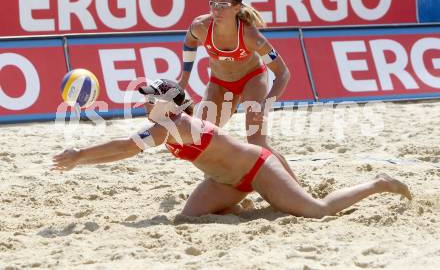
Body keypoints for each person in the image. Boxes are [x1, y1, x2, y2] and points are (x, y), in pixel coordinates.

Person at [52, 79, 412, 218]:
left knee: (317, 211)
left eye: (150, 99)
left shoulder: (174, 125)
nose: (144, 103)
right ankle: (244, 204)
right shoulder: (165, 125)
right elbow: (125, 147)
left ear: (171, 104)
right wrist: (80, 157)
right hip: (223, 180)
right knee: (188, 218)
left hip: (257, 168)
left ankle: (378, 183)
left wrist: (79, 156)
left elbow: (125, 148)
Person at [177, 0, 295, 180]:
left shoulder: (251, 35)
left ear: (236, 8)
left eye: (223, 5)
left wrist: (265, 105)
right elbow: (189, 42)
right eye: (213, 3)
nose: (216, 9)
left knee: (257, 141)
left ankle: (296, 188)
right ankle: (218, 186)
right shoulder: (201, 26)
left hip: (252, 79)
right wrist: (183, 80)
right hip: (219, 83)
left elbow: (283, 73)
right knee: (201, 137)